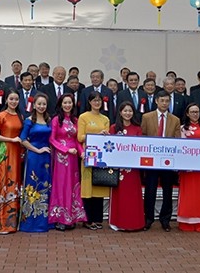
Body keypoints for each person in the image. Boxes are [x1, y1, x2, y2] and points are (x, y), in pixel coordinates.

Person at [141, 91, 181, 232]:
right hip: (151, 161)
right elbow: (143, 137)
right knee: (150, 190)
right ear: (156, 101)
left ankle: (165, 220)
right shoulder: (146, 117)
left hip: (168, 161)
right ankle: (148, 219)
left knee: (167, 191)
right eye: (162, 100)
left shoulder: (175, 120)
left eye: (167, 101)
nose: (164, 103)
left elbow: (177, 141)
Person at [48, 94, 87, 231]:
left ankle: (72, 217)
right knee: (62, 185)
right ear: (61, 104)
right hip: (61, 157)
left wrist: (82, 152)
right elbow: (52, 140)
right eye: (65, 102)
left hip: (73, 158)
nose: (67, 105)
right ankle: (60, 218)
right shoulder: (56, 120)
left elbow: (77, 140)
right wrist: (65, 150)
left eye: (70, 102)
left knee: (73, 185)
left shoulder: (75, 120)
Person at [0, 90, 24, 234]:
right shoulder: (1, 115)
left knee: (14, 184)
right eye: (11, 99)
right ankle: (0, 223)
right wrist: (11, 140)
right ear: (6, 100)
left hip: (17, 154)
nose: (14, 101)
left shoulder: (20, 116)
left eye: (16, 99)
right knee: (4, 184)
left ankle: (12, 223)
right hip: (4, 153)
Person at [108, 101, 145, 232]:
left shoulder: (137, 128)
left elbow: (141, 147)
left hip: (133, 168)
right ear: (120, 112)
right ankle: (118, 222)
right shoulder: (114, 128)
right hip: (119, 168)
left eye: (130, 111)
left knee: (133, 195)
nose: (128, 113)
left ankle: (135, 223)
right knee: (119, 195)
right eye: (125, 111)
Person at [19, 94, 53, 232]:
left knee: (46, 185)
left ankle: (44, 219)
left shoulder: (49, 120)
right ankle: (30, 221)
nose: (41, 106)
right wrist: (37, 150)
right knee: (32, 185)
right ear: (34, 105)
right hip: (33, 156)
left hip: (46, 158)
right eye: (39, 104)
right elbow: (22, 139)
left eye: (44, 104)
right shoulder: (29, 121)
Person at [177, 103, 200, 232]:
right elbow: (180, 148)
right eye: (192, 112)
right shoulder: (182, 129)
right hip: (188, 169)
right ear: (187, 113)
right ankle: (186, 221)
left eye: (197, 112)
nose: (195, 114)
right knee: (188, 195)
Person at [77, 91, 111, 230]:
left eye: (99, 100)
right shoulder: (83, 117)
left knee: (99, 185)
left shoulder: (105, 119)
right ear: (89, 102)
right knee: (87, 188)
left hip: (101, 156)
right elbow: (80, 137)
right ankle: (87, 219)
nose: (97, 103)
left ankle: (97, 219)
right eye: (94, 100)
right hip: (87, 155)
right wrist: (96, 135)